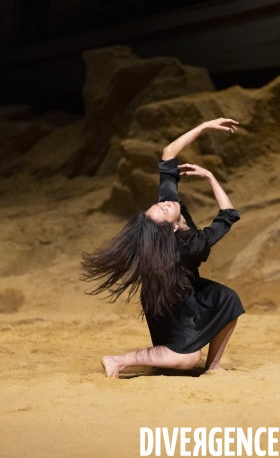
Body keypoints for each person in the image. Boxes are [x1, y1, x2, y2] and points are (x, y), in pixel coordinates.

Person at [81, 118, 245, 378]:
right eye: (161, 210)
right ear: (172, 229)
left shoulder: (170, 207)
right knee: (187, 358)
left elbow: (168, 154)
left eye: (159, 205)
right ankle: (118, 360)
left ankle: (213, 366)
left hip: (186, 285)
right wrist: (212, 178)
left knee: (227, 300)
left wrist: (204, 126)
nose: (165, 205)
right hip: (168, 298)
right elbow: (228, 215)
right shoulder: (192, 245)